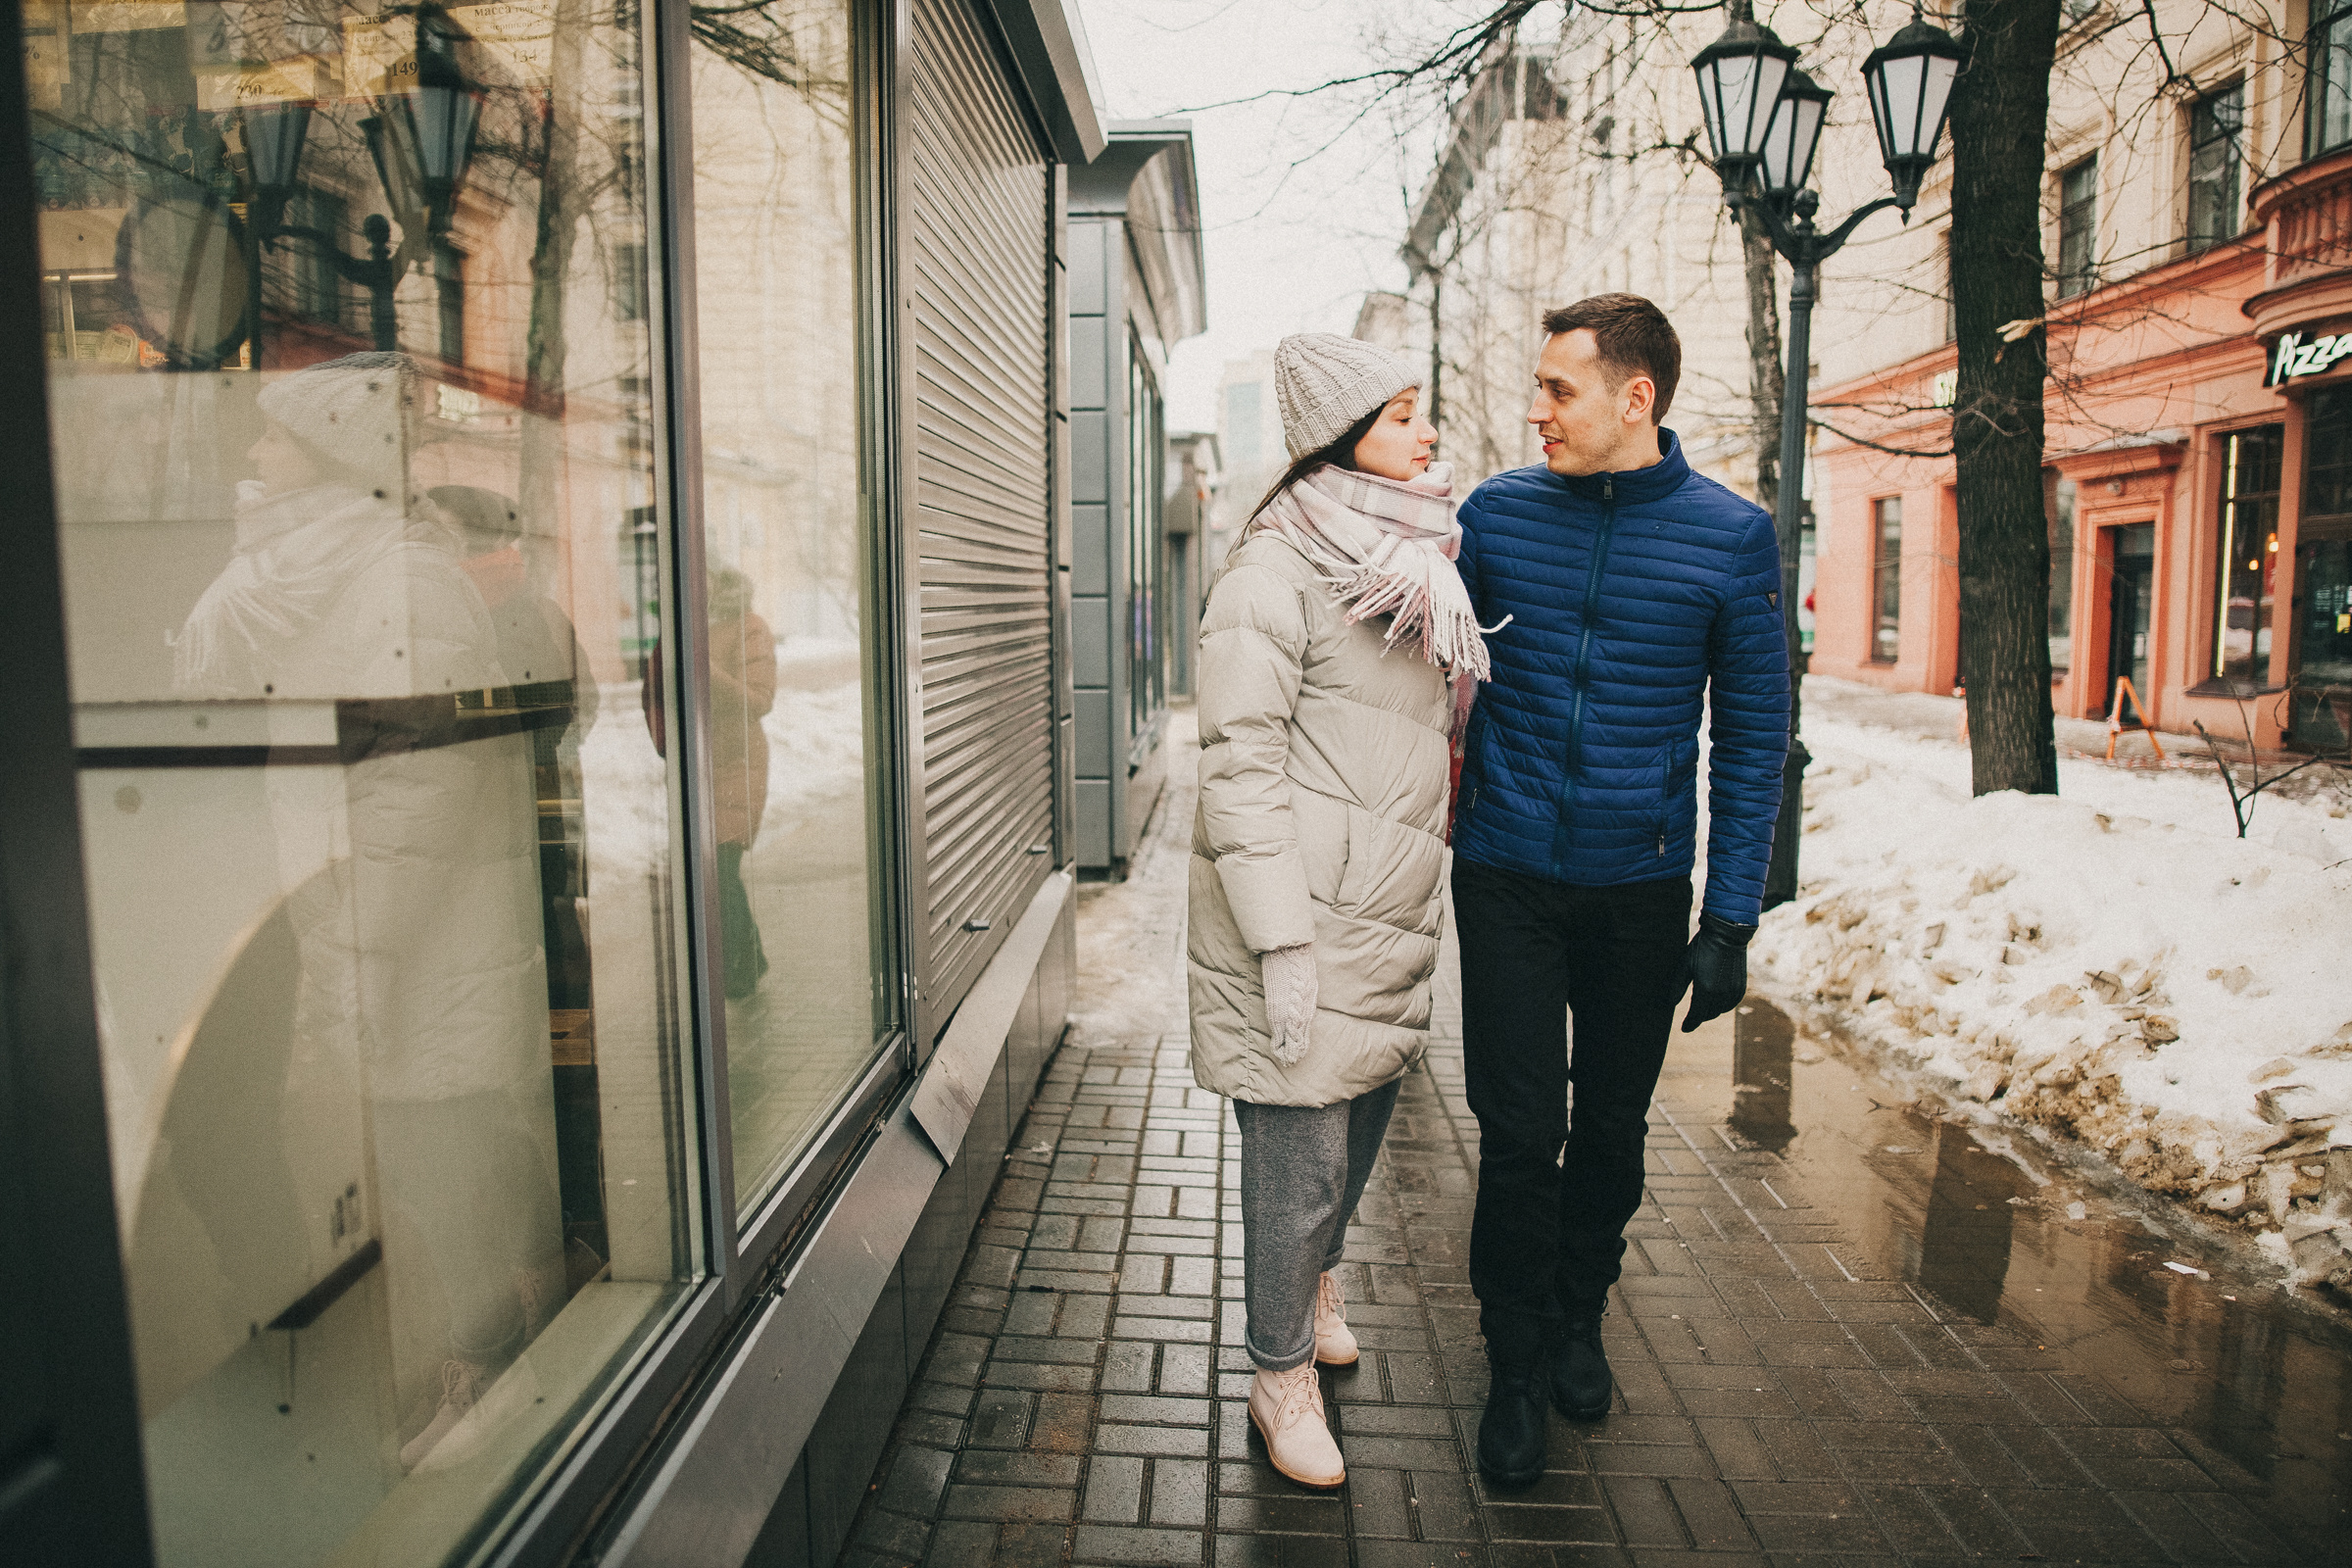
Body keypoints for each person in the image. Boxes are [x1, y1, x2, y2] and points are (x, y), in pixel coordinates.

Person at [1449, 295, 1789, 1486]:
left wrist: (1730, 916)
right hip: (1505, 875)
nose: (1536, 410)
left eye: (1560, 389)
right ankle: (1512, 1359)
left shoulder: (1730, 538)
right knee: (1517, 1134)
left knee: (1608, 1126)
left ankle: (1579, 1309)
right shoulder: (1495, 517)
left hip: (1638, 890)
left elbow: (1752, 738)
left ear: (1634, 398)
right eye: (1539, 386)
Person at [1188, 332, 1491, 1489]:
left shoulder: (1407, 558)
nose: (1426, 431)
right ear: (1342, 434)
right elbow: (1240, 762)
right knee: (1297, 1160)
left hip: (1388, 911)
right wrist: (1278, 939)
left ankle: (1315, 1281)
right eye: (1402, 414)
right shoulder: (1273, 573)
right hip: (1303, 917)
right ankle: (1277, 1376)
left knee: (1357, 1127)